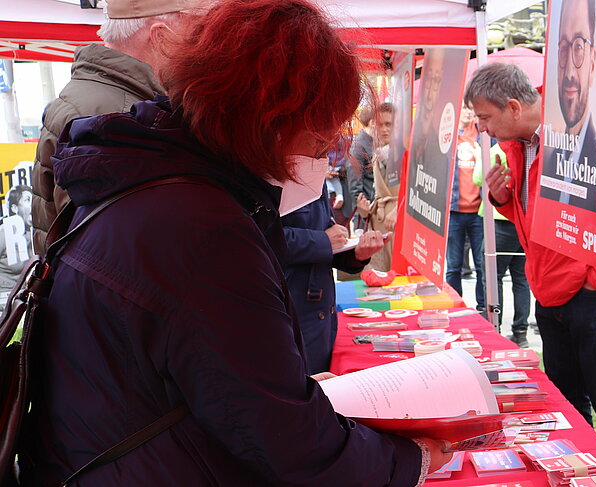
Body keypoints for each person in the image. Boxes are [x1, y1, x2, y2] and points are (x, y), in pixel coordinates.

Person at [16, 1, 448, 485]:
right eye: (320, 137)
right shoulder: (203, 228)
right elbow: (288, 442)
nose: (324, 156)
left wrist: (283, 388)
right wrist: (411, 460)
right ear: (272, 120)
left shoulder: (149, 181)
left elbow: (201, 372)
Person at [468, 62, 596, 428]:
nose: (482, 129)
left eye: (485, 117)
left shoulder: (585, 135)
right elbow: (535, 218)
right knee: (566, 406)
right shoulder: (519, 147)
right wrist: (502, 199)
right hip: (551, 294)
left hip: (594, 295)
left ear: (514, 108)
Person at [32, 0, 199, 257]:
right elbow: (112, 257)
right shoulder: (115, 117)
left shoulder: (102, 98)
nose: (202, 44)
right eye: (196, 31)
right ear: (162, 36)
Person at [280, 182, 386, 375]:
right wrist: (323, 239)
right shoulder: (270, 175)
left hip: (321, 312)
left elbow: (326, 236)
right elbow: (261, 235)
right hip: (291, 309)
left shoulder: (313, 173)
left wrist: (356, 255)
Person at [544, 0, 596, 212]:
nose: (570, 72)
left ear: (592, 61)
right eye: (563, 49)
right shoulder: (553, 156)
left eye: (579, 47)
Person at [476, 147, 533, 347]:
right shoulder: (524, 149)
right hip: (520, 221)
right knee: (521, 278)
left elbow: (478, 178)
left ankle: (495, 327)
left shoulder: (495, 151)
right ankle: (520, 331)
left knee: (493, 277)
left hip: (500, 222)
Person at [447, 107, 486, 310]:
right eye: (464, 108)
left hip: (479, 212)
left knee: (482, 266)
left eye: (472, 108)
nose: (469, 112)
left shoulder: (482, 134)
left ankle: (482, 309)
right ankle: (455, 308)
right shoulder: (448, 136)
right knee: (453, 267)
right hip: (454, 211)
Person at [354, 105, 400, 273]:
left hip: (399, 227)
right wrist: (365, 210)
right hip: (380, 225)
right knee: (380, 277)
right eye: (380, 124)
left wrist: (399, 209)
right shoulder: (378, 153)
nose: (384, 129)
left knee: (399, 280)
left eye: (389, 124)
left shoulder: (408, 154)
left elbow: (420, 192)